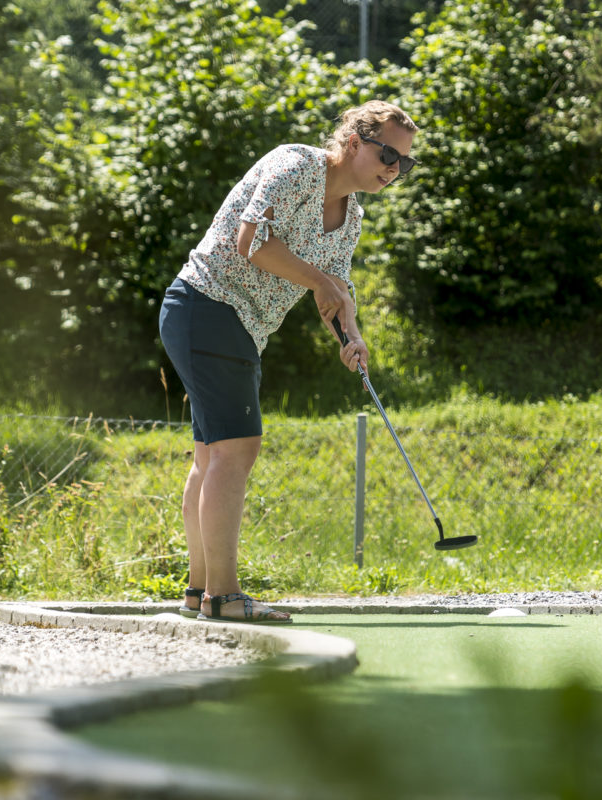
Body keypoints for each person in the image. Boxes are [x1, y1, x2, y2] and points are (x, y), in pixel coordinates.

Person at [158, 100, 419, 623]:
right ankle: (225, 598)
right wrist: (325, 283)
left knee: (211, 457)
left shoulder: (352, 217)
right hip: (207, 305)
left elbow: (333, 291)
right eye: (388, 152)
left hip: (236, 327)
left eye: (405, 162)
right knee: (237, 450)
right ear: (352, 141)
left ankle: (199, 592)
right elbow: (253, 242)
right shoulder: (295, 165)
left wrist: (350, 333)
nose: (394, 168)